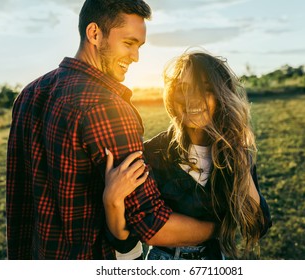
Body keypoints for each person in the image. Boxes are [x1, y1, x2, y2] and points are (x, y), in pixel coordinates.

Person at [6, 0, 215, 260]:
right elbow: (150, 223)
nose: (136, 57)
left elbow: (19, 198)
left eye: (139, 46)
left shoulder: (30, 93)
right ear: (94, 33)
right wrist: (219, 229)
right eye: (128, 43)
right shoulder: (106, 108)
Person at [103, 50, 272, 260]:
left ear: (221, 97)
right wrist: (112, 201)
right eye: (183, 89)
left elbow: (258, 225)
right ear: (172, 96)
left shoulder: (236, 152)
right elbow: (132, 235)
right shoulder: (153, 153)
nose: (193, 100)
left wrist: (238, 157)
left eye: (206, 90)